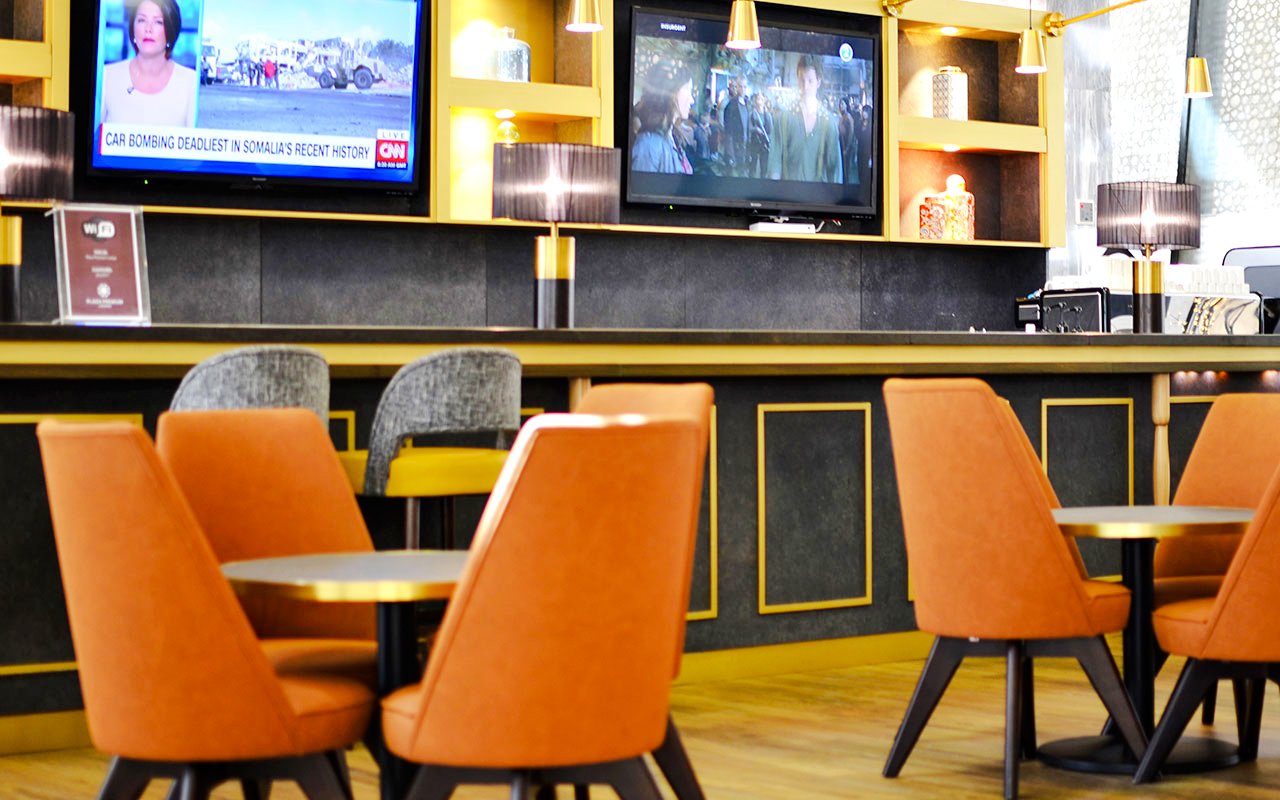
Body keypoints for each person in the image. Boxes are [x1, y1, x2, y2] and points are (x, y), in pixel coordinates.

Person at [100, 0, 197, 127]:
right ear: (132, 27)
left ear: (171, 30)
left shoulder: (190, 81)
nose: (148, 29)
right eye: (142, 20)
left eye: (158, 22)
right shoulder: (107, 75)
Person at [768, 55, 842, 183]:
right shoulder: (784, 118)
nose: (805, 86)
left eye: (810, 80)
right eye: (802, 80)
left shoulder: (828, 123)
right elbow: (774, 163)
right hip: (787, 196)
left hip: (818, 199)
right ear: (797, 79)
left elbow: (835, 170)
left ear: (818, 82)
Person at [630, 61, 694, 175]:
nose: (692, 100)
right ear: (672, 92)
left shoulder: (673, 136)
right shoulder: (648, 146)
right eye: (688, 89)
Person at [718, 76, 749, 175]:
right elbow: (728, 134)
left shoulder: (748, 105)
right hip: (735, 150)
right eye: (740, 86)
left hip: (744, 149)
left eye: (744, 87)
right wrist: (731, 156)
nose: (742, 89)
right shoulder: (731, 106)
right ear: (736, 87)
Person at [747, 92, 772, 179]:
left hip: (764, 144)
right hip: (754, 143)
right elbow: (749, 127)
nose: (759, 101)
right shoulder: (752, 114)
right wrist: (756, 130)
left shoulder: (767, 115)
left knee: (763, 168)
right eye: (758, 99)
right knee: (752, 167)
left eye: (761, 99)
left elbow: (770, 130)